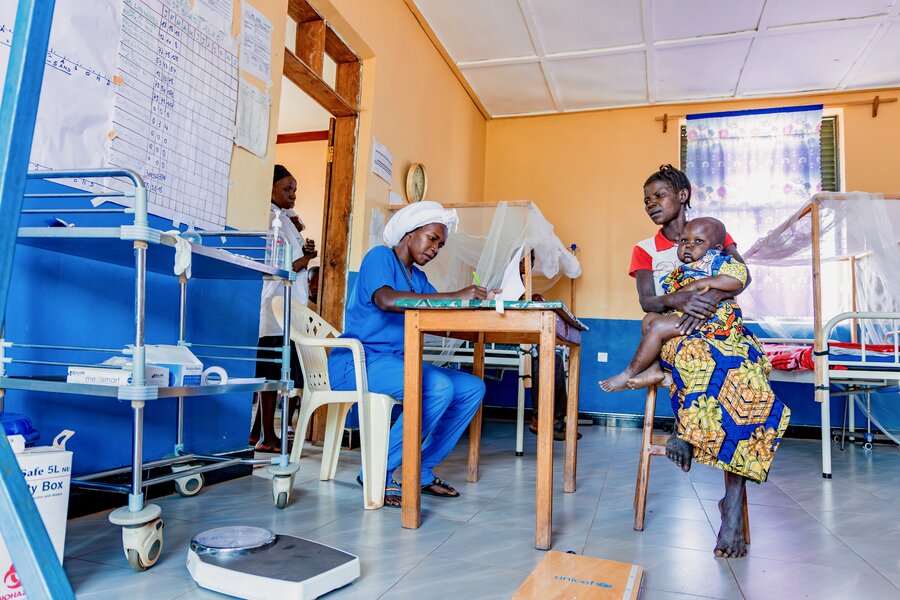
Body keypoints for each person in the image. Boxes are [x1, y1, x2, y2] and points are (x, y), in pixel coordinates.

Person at [627, 164, 790, 559]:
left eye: (659, 195)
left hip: (721, 328)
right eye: (646, 200)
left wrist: (710, 297)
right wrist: (679, 299)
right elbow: (648, 301)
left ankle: (730, 503)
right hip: (677, 331)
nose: (651, 204)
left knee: (748, 374)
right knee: (696, 356)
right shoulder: (644, 250)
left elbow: (741, 275)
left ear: (682, 195)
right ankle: (685, 428)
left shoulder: (715, 232)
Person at [328, 201, 497, 507]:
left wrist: (482, 305)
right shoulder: (380, 257)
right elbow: (385, 299)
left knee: (473, 388)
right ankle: (378, 470)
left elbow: (438, 315)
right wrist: (455, 295)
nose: (436, 249)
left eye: (441, 245)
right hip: (357, 361)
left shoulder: (417, 278)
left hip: (394, 364)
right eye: (432, 238)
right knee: (438, 387)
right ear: (409, 231)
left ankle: (419, 469)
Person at [600, 217, 745, 392]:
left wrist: (700, 284)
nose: (689, 245)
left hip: (717, 318)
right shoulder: (679, 272)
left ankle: (628, 373)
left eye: (698, 241)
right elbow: (669, 298)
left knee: (658, 327)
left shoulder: (719, 261)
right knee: (649, 319)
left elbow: (737, 280)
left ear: (716, 249)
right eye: (684, 241)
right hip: (690, 317)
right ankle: (654, 368)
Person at [250, 164, 318, 453]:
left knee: (281, 370)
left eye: (295, 190)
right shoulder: (270, 219)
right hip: (274, 304)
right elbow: (274, 266)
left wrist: (306, 252)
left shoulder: (286, 219)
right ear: (271, 188)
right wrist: (304, 261)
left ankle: (257, 433)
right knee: (271, 373)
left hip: (289, 305)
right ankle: (268, 435)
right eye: (287, 189)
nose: (292, 195)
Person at [518, 251, 581, 441]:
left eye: (533, 260)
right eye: (526, 259)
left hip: (526, 336)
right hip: (507, 337)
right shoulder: (507, 282)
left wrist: (536, 299)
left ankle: (556, 417)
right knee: (547, 358)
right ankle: (540, 418)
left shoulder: (524, 284)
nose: (529, 264)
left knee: (555, 357)